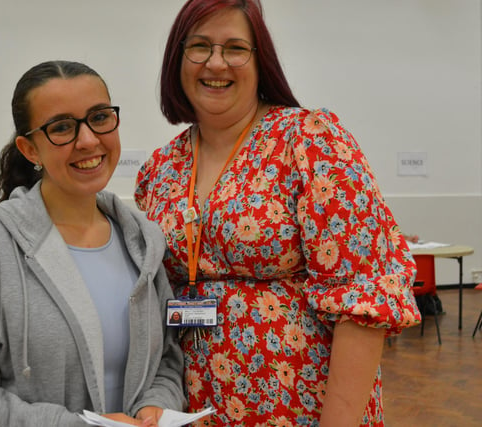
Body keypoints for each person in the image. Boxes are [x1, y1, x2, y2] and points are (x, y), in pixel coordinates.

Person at [134, 1, 422, 426]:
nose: (216, 62)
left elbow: (363, 298)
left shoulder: (309, 141)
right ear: (178, 60)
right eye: (199, 46)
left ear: (260, 61)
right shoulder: (159, 170)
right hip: (193, 407)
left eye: (235, 48)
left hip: (302, 407)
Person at [0, 60, 185, 426]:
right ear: (29, 149)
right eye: (61, 127)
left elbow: (167, 361)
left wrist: (156, 404)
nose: (89, 139)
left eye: (100, 117)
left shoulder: (142, 242)